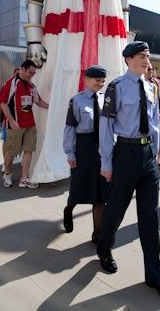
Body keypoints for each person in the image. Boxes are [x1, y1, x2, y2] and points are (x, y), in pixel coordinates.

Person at [24, 0, 129, 183]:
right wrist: (34, 40)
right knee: (58, 94)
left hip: (105, 45)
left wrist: (124, 47)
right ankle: (59, 158)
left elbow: (124, 10)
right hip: (62, 42)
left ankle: (104, 156)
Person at [97, 41, 160, 300]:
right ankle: (104, 248)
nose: (147, 60)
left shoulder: (152, 86)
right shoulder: (116, 87)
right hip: (124, 154)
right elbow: (106, 127)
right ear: (129, 59)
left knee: (150, 218)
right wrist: (107, 163)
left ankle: (154, 276)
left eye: (148, 56)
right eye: (142, 56)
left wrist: (155, 154)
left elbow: (154, 122)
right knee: (116, 208)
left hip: (146, 157)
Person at [63, 65, 108, 242]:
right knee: (78, 188)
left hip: (102, 149)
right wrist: (70, 153)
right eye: (97, 80)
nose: (101, 83)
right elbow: (70, 128)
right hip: (84, 148)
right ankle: (69, 210)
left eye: (103, 80)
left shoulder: (107, 99)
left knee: (100, 194)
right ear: (87, 80)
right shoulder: (77, 101)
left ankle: (97, 233)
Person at [0, 60, 48, 188]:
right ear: (22, 69)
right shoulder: (12, 83)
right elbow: (2, 103)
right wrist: (12, 121)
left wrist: (52, 107)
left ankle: (24, 178)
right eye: (30, 72)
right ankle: (7, 174)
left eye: (34, 73)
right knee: (11, 152)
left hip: (30, 124)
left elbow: (39, 102)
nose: (32, 75)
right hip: (16, 126)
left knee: (29, 150)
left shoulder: (32, 86)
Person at [0, 68, 21, 174]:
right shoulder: (8, 85)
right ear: (13, 73)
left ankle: (12, 161)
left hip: (21, 121)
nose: (18, 75)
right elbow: (0, 104)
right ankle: (5, 164)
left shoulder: (25, 85)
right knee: (6, 142)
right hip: (7, 121)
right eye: (16, 73)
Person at [145, 64, 160, 174]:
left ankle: (158, 163)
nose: (150, 71)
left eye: (152, 69)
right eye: (148, 69)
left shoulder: (157, 83)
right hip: (145, 119)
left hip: (157, 117)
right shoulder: (139, 83)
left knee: (159, 138)